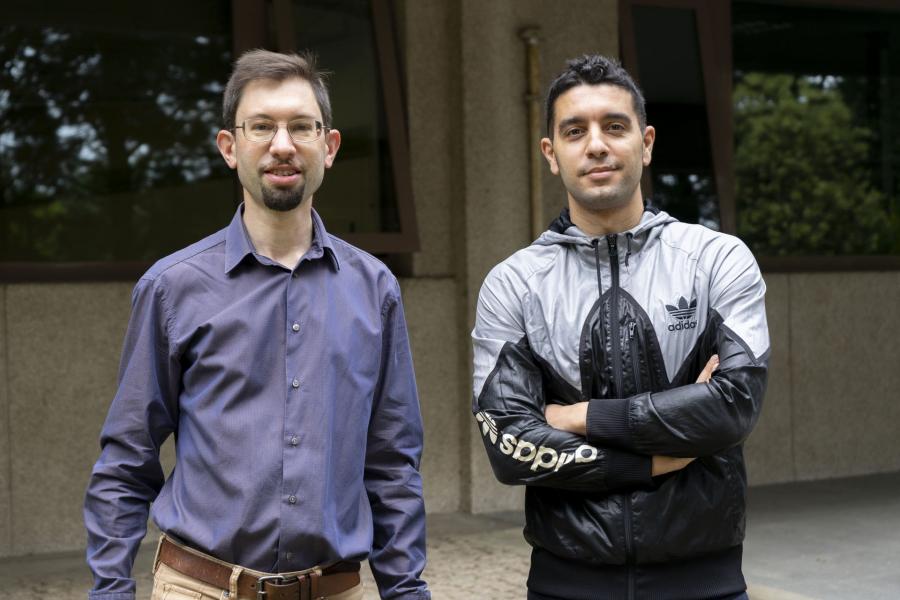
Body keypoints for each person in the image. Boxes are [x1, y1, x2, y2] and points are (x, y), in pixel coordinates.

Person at [84, 49, 430, 600]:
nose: (283, 145)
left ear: (330, 146)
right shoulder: (172, 289)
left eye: (301, 127)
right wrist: (109, 590)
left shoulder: (376, 290)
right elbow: (127, 459)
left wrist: (406, 590)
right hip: (199, 589)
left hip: (335, 590)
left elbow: (392, 465)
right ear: (230, 147)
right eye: (262, 127)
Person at [472, 54, 769, 600]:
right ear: (551, 154)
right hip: (566, 580)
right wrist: (655, 458)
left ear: (646, 142)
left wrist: (578, 416)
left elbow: (732, 406)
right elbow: (510, 445)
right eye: (574, 131)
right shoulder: (513, 283)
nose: (597, 145)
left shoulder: (717, 260)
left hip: (705, 579)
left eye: (615, 126)